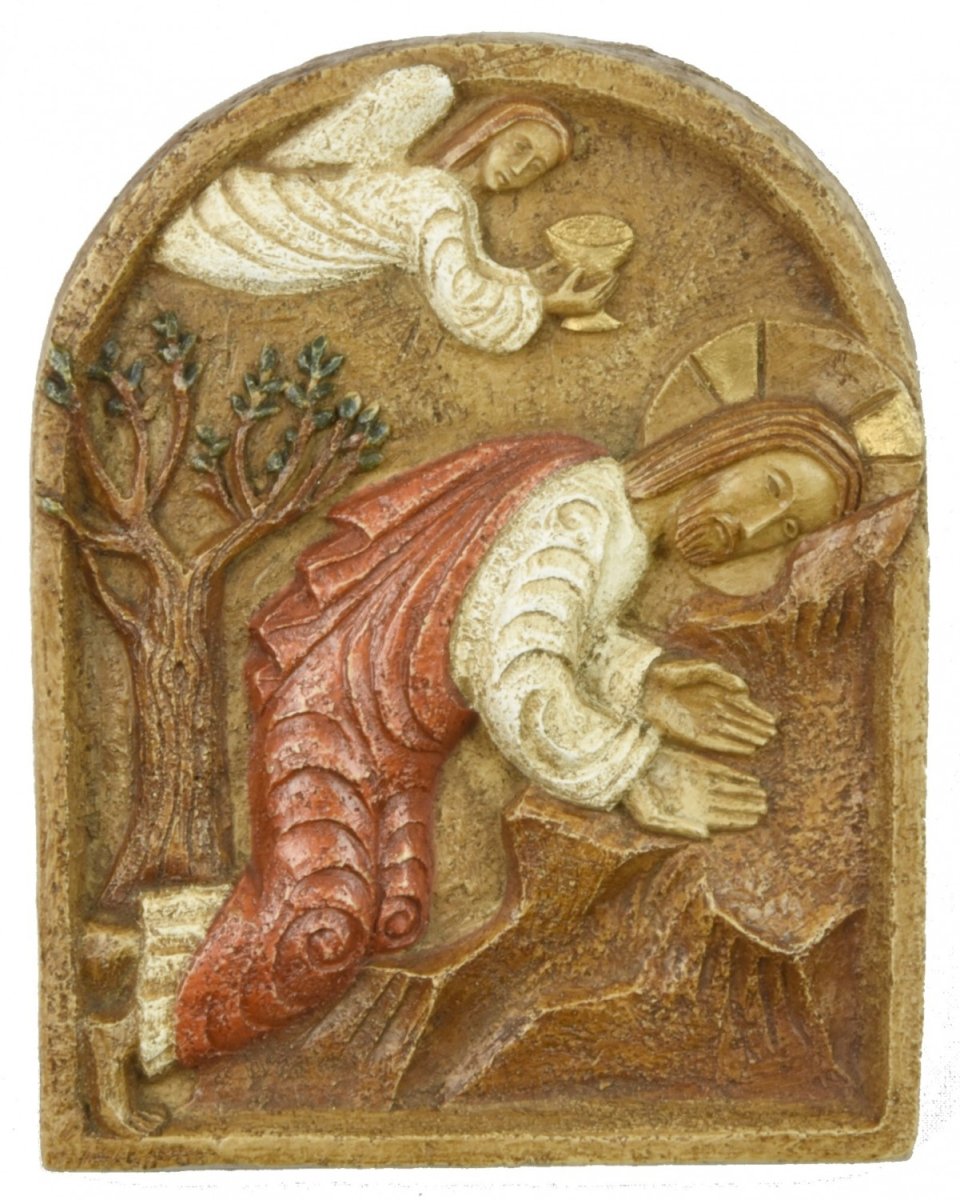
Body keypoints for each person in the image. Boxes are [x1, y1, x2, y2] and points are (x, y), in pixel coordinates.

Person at [130, 398, 862, 1074]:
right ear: (724, 446)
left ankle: (151, 951)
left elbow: (550, 624)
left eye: (787, 529)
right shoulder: (582, 512)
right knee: (322, 930)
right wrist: (638, 773)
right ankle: (133, 1037)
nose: (755, 529)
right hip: (337, 713)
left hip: (392, 738)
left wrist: (647, 684)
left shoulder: (610, 512)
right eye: (770, 487)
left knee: (393, 915)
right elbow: (517, 675)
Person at [154, 66, 614, 353]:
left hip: (236, 211)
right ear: (490, 130)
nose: (520, 168)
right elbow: (462, 299)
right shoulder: (436, 195)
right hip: (241, 228)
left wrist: (524, 281)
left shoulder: (442, 197)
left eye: (536, 167)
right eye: (520, 146)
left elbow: (461, 260)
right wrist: (543, 303)